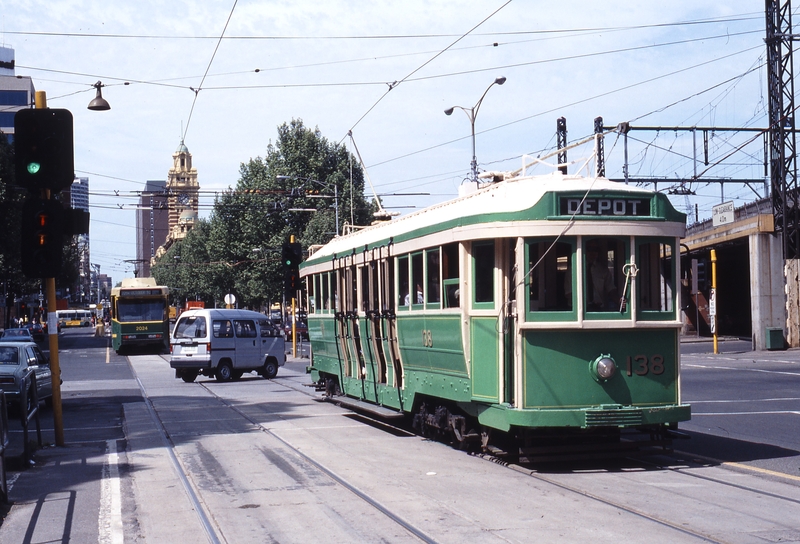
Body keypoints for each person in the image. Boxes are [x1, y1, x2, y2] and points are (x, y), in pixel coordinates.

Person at [586, 243, 615, 311]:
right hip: (579, 310)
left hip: (599, 311)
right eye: (590, 249)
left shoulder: (603, 270)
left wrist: (621, 302)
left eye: (595, 250)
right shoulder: (573, 269)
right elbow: (570, 294)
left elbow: (611, 289)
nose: (592, 253)